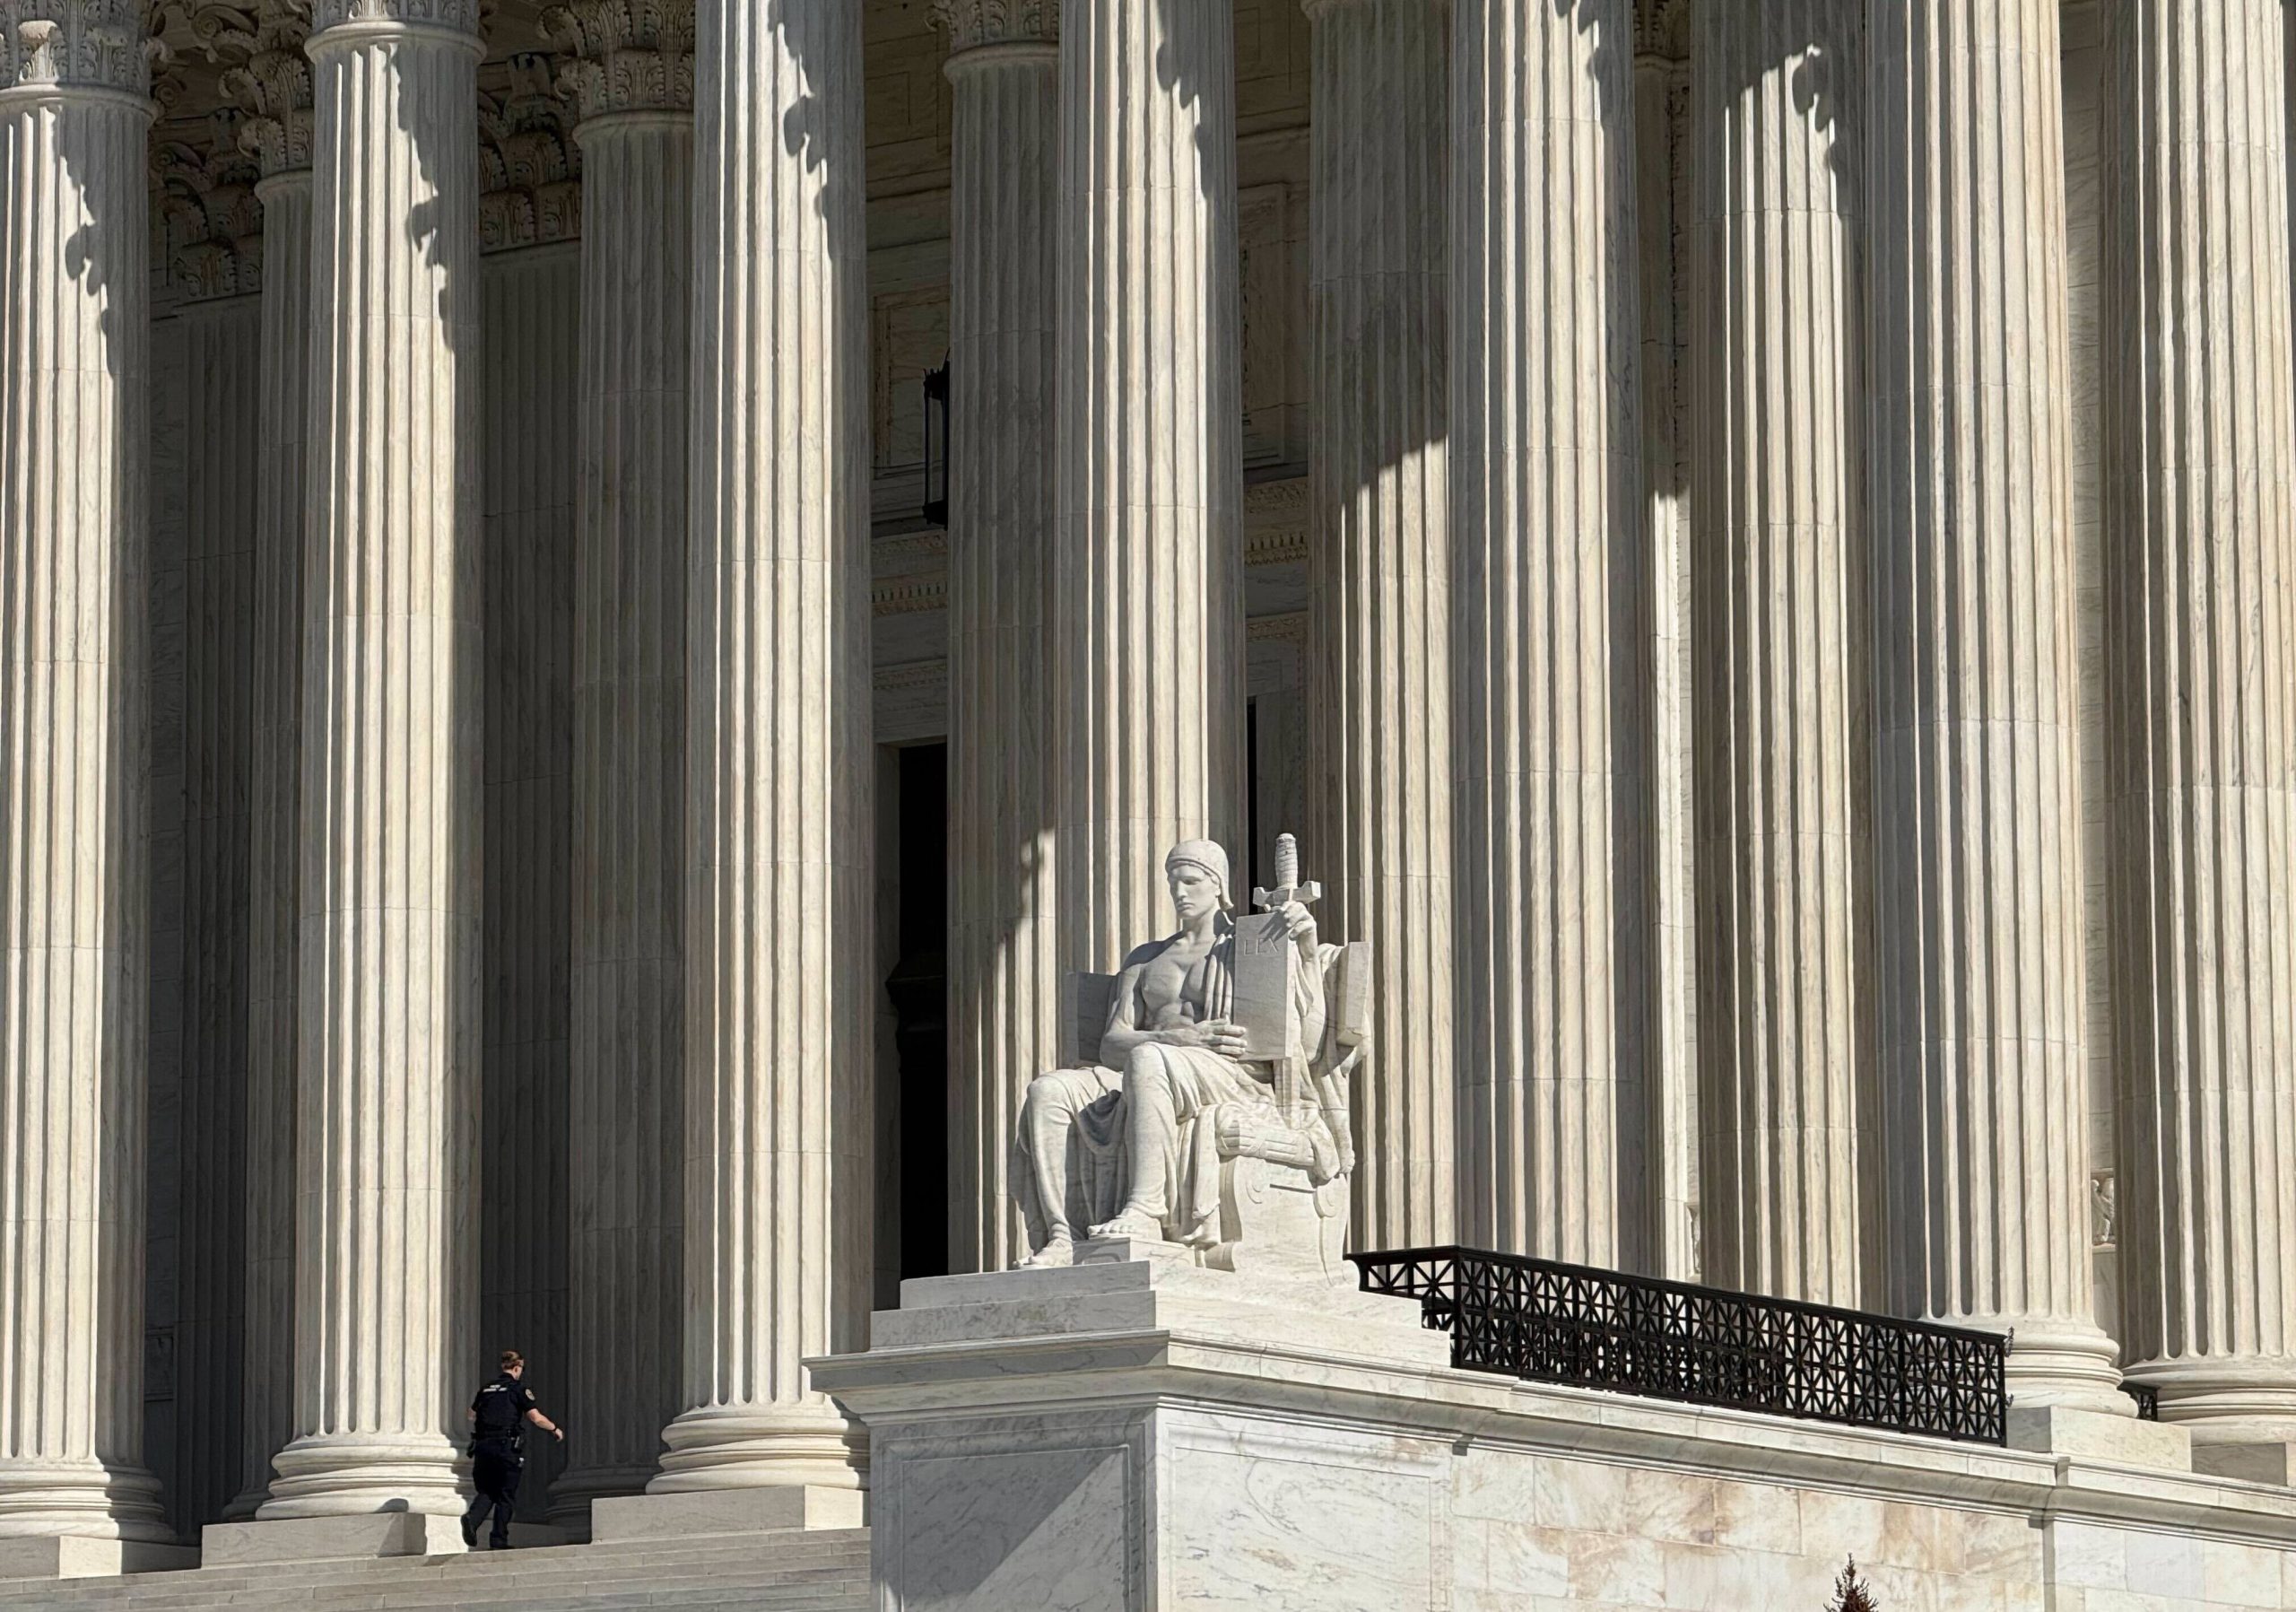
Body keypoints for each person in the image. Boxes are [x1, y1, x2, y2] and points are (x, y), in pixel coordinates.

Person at [459, 1349, 564, 1550]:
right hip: (505, 1447)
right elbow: (536, 1418)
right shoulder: (518, 1389)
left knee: (487, 1490)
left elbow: (470, 1415)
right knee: (506, 1495)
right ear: (517, 1368)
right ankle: (498, 1540)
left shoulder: (486, 1389)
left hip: (483, 1447)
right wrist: (554, 1428)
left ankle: (472, 1519)